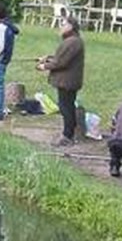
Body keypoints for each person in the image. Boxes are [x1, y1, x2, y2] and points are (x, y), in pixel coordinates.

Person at [37, 17, 85, 146]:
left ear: (71, 27)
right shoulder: (72, 41)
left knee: (66, 108)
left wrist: (44, 66)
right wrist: (47, 58)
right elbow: (61, 58)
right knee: (67, 106)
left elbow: (61, 62)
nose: (61, 27)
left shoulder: (73, 42)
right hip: (67, 81)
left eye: (63, 24)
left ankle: (67, 136)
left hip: (67, 82)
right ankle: (69, 133)